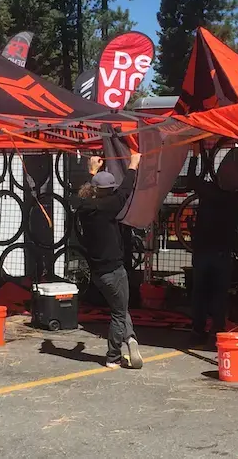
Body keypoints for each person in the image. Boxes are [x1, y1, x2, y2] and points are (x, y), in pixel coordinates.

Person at [76, 149, 143, 369]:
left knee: (120, 307)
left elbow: (95, 192)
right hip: (114, 270)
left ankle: (131, 338)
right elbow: (125, 190)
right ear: (109, 190)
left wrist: (92, 171)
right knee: (118, 313)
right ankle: (113, 356)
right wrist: (133, 164)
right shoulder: (108, 207)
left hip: (97, 272)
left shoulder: (85, 208)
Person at [189, 152, 238, 346]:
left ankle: (197, 329)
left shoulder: (208, 191)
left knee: (200, 292)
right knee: (219, 294)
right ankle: (217, 329)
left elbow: (191, 179)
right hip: (222, 253)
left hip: (202, 251)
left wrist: (198, 155)